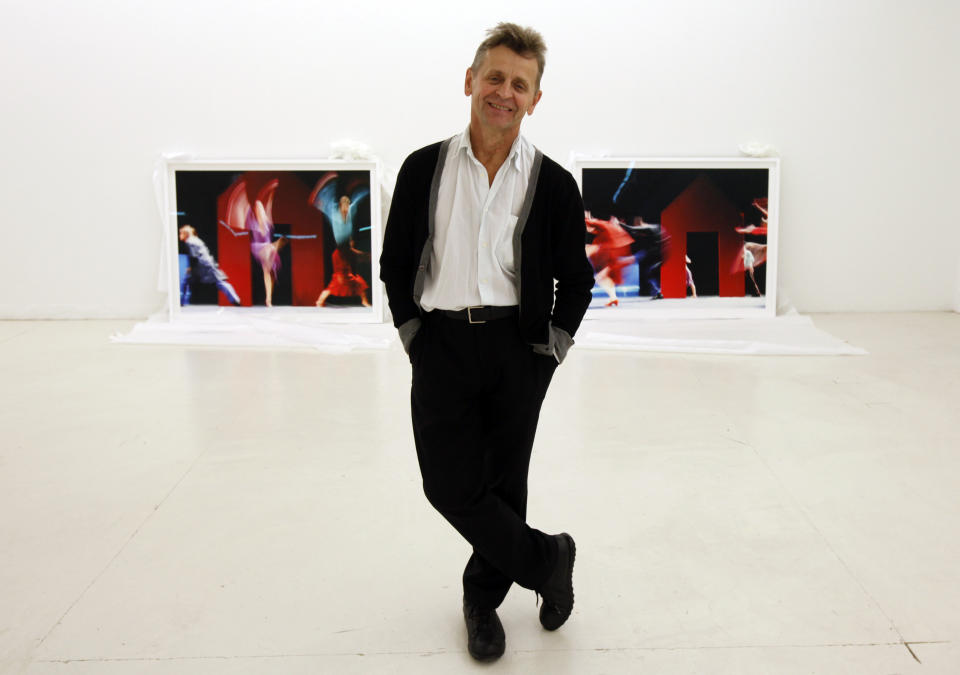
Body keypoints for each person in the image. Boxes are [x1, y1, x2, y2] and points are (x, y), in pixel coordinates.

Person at [379, 23, 594, 663]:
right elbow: (394, 261)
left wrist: (551, 348)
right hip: (441, 341)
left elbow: (576, 279)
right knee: (446, 484)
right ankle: (546, 558)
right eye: (494, 77)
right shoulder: (424, 167)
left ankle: (482, 602)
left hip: (517, 348)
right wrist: (413, 329)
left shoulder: (552, 183)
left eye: (519, 84)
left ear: (535, 99)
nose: (504, 92)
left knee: (505, 485)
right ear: (470, 81)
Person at [178, 225, 241, 306]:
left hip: (202, 265)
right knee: (219, 282)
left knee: (186, 281)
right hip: (207, 263)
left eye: (181, 233)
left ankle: (179, 301)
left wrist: (190, 267)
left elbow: (194, 256)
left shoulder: (190, 242)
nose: (179, 235)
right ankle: (235, 299)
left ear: (185, 233)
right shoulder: (196, 240)